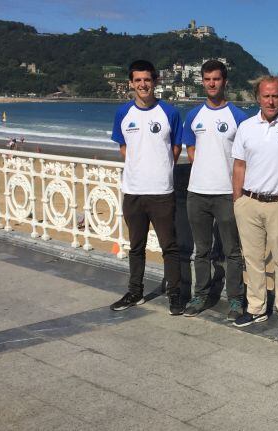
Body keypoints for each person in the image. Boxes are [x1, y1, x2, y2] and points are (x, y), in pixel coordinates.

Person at [109, 59, 183, 315]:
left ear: (155, 82)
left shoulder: (170, 112)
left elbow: (175, 148)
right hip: (133, 191)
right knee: (136, 246)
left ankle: (175, 295)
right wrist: (139, 167)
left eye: (147, 80)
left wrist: (160, 168)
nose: (143, 84)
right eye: (138, 80)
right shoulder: (123, 113)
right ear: (131, 83)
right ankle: (135, 292)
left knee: (169, 247)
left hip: (162, 192)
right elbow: (123, 147)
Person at [231, 76, 278, 333]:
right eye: (266, 96)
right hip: (249, 202)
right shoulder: (246, 127)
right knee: (252, 259)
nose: (270, 101)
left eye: (275, 96)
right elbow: (239, 165)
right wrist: (237, 199)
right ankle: (256, 308)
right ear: (257, 98)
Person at [181, 59, 247, 320]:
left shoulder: (238, 116)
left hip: (226, 194)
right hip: (196, 193)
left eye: (216, 79)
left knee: (232, 251)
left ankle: (235, 300)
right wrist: (205, 171)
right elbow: (191, 149)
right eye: (207, 79)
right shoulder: (193, 115)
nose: (211, 83)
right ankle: (200, 295)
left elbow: (243, 156)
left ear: (224, 81)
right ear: (202, 81)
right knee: (202, 250)